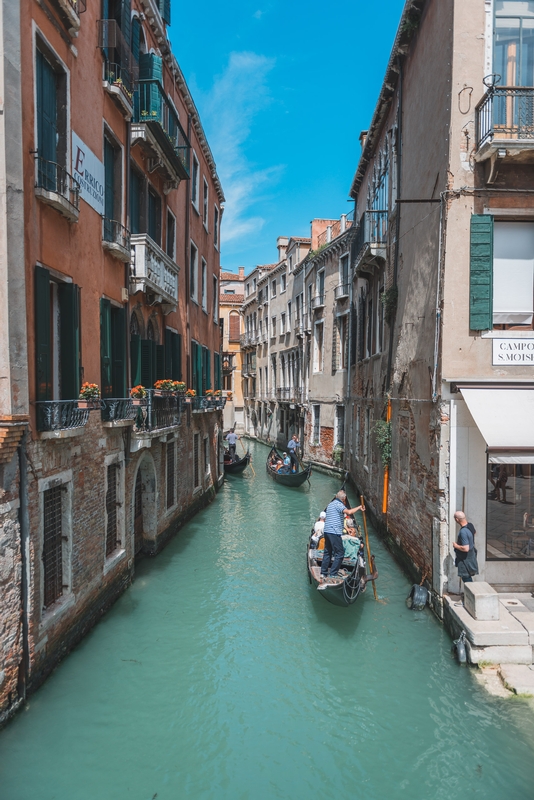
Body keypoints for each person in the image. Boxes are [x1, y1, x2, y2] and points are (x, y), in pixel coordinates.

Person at [320, 491, 365, 583]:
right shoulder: (339, 504)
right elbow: (348, 512)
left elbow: (334, 518)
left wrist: (344, 527)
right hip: (334, 532)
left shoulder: (330, 504)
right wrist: (360, 507)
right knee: (340, 553)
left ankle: (323, 572)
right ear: (344, 499)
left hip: (327, 531)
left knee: (328, 552)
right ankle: (333, 573)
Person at [453, 511, 478, 585]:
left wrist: (456, 546)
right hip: (471, 555)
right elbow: (474, 532)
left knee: (466, 577)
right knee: (467, 576)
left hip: (465, 559)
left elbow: (466, 548)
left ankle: (472, 593)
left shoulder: (463, 532)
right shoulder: (470, 525)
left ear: (457, 519)